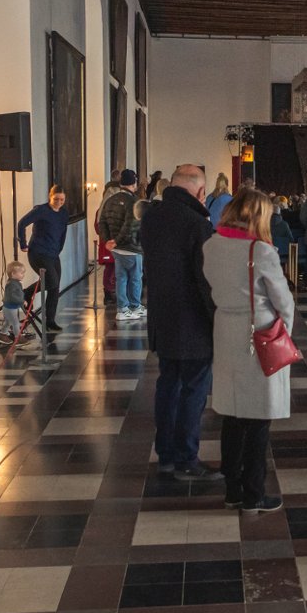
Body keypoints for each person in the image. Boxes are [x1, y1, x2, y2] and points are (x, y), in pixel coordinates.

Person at [202, 188, 294, 513]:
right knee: (258, 419)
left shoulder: (211, 244)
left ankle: (232, 491)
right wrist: (286, 333)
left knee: (233, 415)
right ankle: (254, 494)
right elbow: (283, 301)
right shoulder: (261, 250)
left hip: (225, 329)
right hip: (258, 334)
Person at [139, 164, 221, 479]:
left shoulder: (151, 218)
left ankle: (166, 454)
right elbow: (205, 280)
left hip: (162, 318)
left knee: (167, 385)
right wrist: (218, 320)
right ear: (200, 192)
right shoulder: (196, 224)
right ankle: (187, 458)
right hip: (193, 325)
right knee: (194, 390)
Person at [17, 184, 70, 331]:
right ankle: (27, 292)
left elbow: (63, 232)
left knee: (55, 287)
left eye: (62, 199)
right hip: (38, 252)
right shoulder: (41, 210)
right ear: (50, 197)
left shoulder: (64, 213)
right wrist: (23, 243)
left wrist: (59, 249)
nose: (59, 202)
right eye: (56, 199)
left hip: (53, 254)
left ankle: (50, 320)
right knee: (51, 281)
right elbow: (22, 223)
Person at [100, 168, 146, 323]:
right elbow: (130, 225)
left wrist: (108, 241)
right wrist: (117, 240)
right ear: (133, 183)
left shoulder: (110, 200)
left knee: (121, 278)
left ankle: (122, 308)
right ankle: (134, 306)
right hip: (131, 247)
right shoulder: (133, 202)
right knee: (135, 278)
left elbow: (102, 221)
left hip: (116, 248)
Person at [0, 260, 28, 345]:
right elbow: (13, 297)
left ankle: (2, 334)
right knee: (15, 323)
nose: (23, 275)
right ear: (13, 274)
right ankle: (18, 338)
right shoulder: (12, 285)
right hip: (9, 308)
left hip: (11, 307)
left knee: (8, 322)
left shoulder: (16, 283)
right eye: (21, 273)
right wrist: (22, 301)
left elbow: (18, 294)